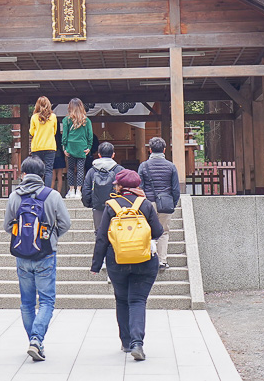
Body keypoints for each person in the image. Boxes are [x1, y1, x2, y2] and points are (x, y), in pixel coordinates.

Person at [3, 155, 72, 362]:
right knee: (47, 300)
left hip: (22, 255)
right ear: (43, 174)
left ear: (23, 173)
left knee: (26, 302)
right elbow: (65, 223)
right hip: (46, 253)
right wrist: (50, 236)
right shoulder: (52, 195)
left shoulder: (15, 196)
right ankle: (36, 339)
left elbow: (7, 226)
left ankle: (34, 340)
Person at [90, 169, 164, 361]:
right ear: (137, 186)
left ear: (121, 187)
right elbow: (157, 231)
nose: (115, 186)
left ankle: (126, 341)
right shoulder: (145, 204)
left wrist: (96, 265)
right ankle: (137, 343)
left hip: (117, 260)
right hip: (145, 260)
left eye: (116, 184)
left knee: (122, 299)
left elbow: (102, 237)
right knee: (138, 300)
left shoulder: (111, 206)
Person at [137, 136, 182, 270]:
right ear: (164, 149)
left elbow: (139, 187)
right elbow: (175, 189)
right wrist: (172, 204)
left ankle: (147, 259)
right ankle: (162, 261)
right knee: (163, 232)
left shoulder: (143, 166)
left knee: (146, 231)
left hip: (147, 203)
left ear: (150, 150)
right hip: (165, 203)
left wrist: (142, 203)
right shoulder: (171, 166)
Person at [82, 141, 123, 229]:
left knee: (99, 232)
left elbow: (86, 189)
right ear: (113, 155)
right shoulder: (119, 170)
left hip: (97, 206)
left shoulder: (92, 171)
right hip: (116, 206)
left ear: (99, 155)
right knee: (116, 232)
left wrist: (89, 203)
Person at [62, 98, 93, 199]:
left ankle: (71, 190)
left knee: (70, 169)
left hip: (70, 147)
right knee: (80, 170)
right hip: (82, 147)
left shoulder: (66, 120)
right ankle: (79, 191)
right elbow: (90, 135)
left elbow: (65, 136)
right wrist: (89, 146)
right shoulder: (86, 121)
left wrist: (64, 147)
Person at [29, 96, 57, 186]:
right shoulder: (53, 117)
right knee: (49, 170)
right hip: (50, 146)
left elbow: (31, 132)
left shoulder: (34, 117)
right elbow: (55, 131)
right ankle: (47, 190)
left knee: (36, 169)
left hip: (37, 147)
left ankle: (37, 188)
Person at [52, 130, 67, 195]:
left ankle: (50, 193)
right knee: (59, 176)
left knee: (53, 176)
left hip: (52, 155)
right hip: (60, 155)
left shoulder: (51, 135)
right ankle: (59, 193)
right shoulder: (61, 136)